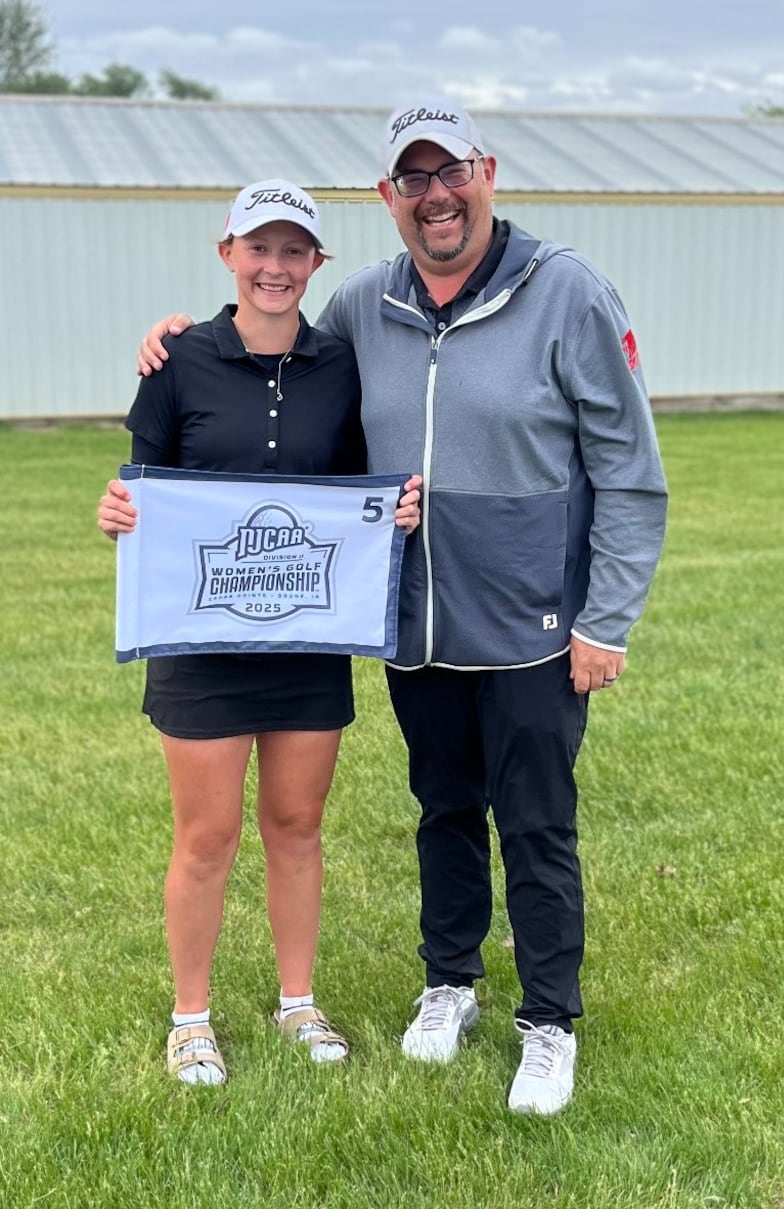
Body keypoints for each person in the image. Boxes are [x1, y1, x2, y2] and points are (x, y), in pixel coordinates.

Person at [136, 98, 668, 1114]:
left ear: (486, 173)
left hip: (532, 630)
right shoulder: (362, 311)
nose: (435, 195)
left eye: (449, 172)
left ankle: (547, 1021)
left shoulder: (565, 294)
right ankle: (449, 984)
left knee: (537, 826)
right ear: (388, 197)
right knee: (443, 813)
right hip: (415, 627)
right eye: (412, 179)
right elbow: (268, 348)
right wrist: (176, 337)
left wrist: (606, 619)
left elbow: (629, 473)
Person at [98, 178, 421, 1085]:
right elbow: (145, 489)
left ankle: (297, 1002)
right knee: (206, 837)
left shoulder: (342, 365)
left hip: (306, 642)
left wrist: (390, 512)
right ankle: (189, 1015)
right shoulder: (178, 361)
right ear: (227, 254)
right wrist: (119, 510)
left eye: (293, 251)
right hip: (200, 649)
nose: (274, 267)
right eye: (259, 248)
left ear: (315, 263)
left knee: (297, 825)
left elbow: (361, 486)